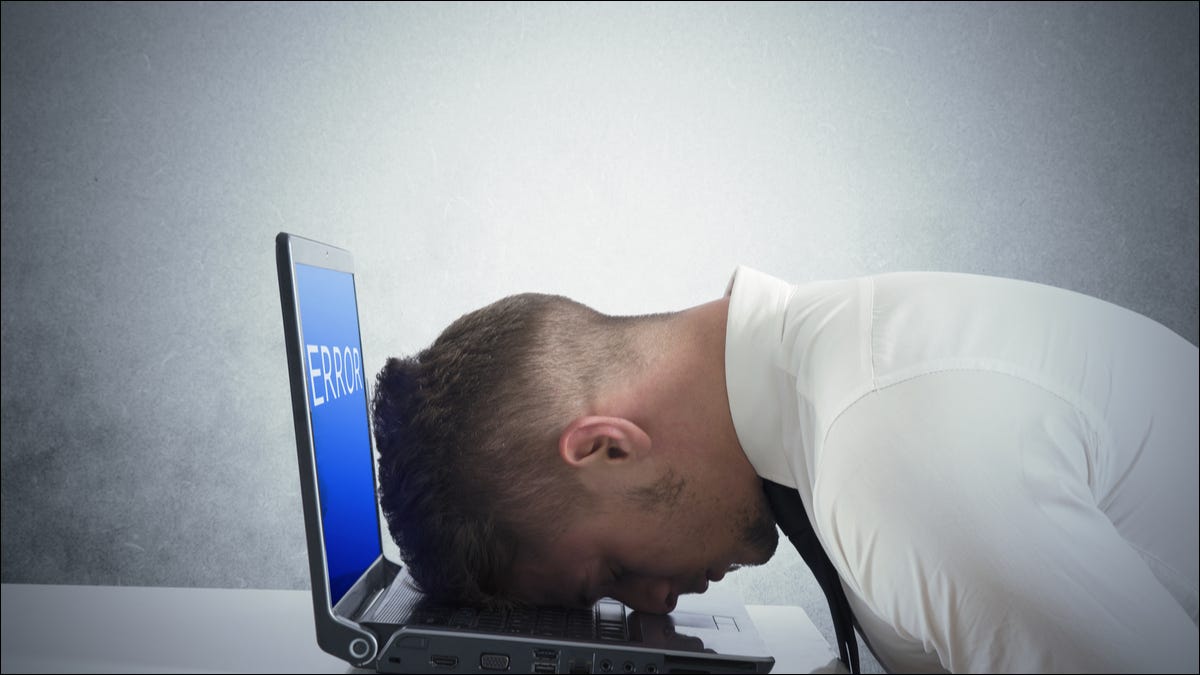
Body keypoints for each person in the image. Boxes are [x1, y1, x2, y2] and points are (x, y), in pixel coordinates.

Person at [370, 265, 1198, 673]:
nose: (653, 602)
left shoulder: (889, 455)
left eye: (612, 570)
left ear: (606, 447)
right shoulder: (834, 379)